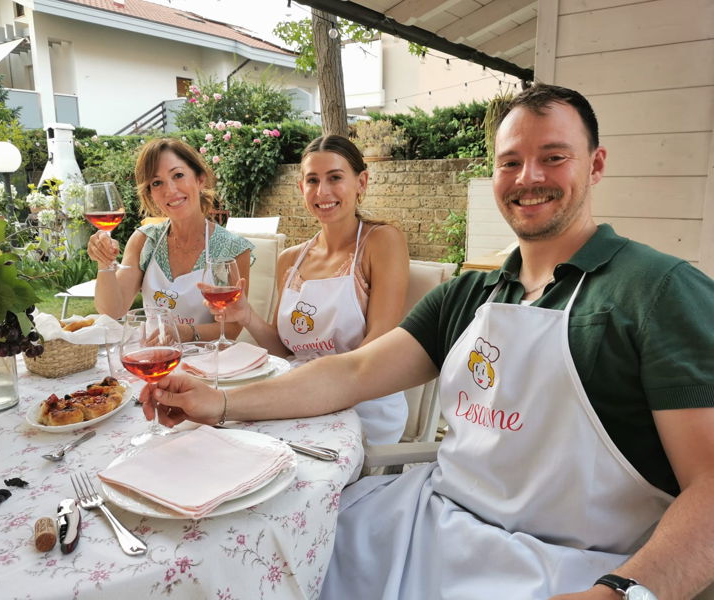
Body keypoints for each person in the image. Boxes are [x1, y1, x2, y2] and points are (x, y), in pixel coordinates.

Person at [140, 84, 714, 599]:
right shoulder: (471, 294)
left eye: (553, 157)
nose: (528, 177)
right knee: (259, 556)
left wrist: (626, 593)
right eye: (509, 162)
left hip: (569, 567)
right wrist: (216, 401)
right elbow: (354, 373)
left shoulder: (658, 292)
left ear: (596, 165)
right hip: (426, 522)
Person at [201, 135, 410, 445]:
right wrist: (245, 315)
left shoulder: (382, 242)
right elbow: (285, 350)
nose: (322, 191)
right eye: (312, 180)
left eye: (335, 177)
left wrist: (296, 393)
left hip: (363, 403)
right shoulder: (290, 259)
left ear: (361, 182)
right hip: (299, 395)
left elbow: (376, 349)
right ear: (302, 188)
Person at [86, 138, 253, 342]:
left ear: (200, 179)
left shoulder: (232, 249)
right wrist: (104, 264)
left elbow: (232, 328)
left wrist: (187, 333)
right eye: (157, 183)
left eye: (178, 175)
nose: (170, 190)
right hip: (155, 361)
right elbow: (112, 310)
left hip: (207, 365)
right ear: (150, 194)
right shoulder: (144, 240)